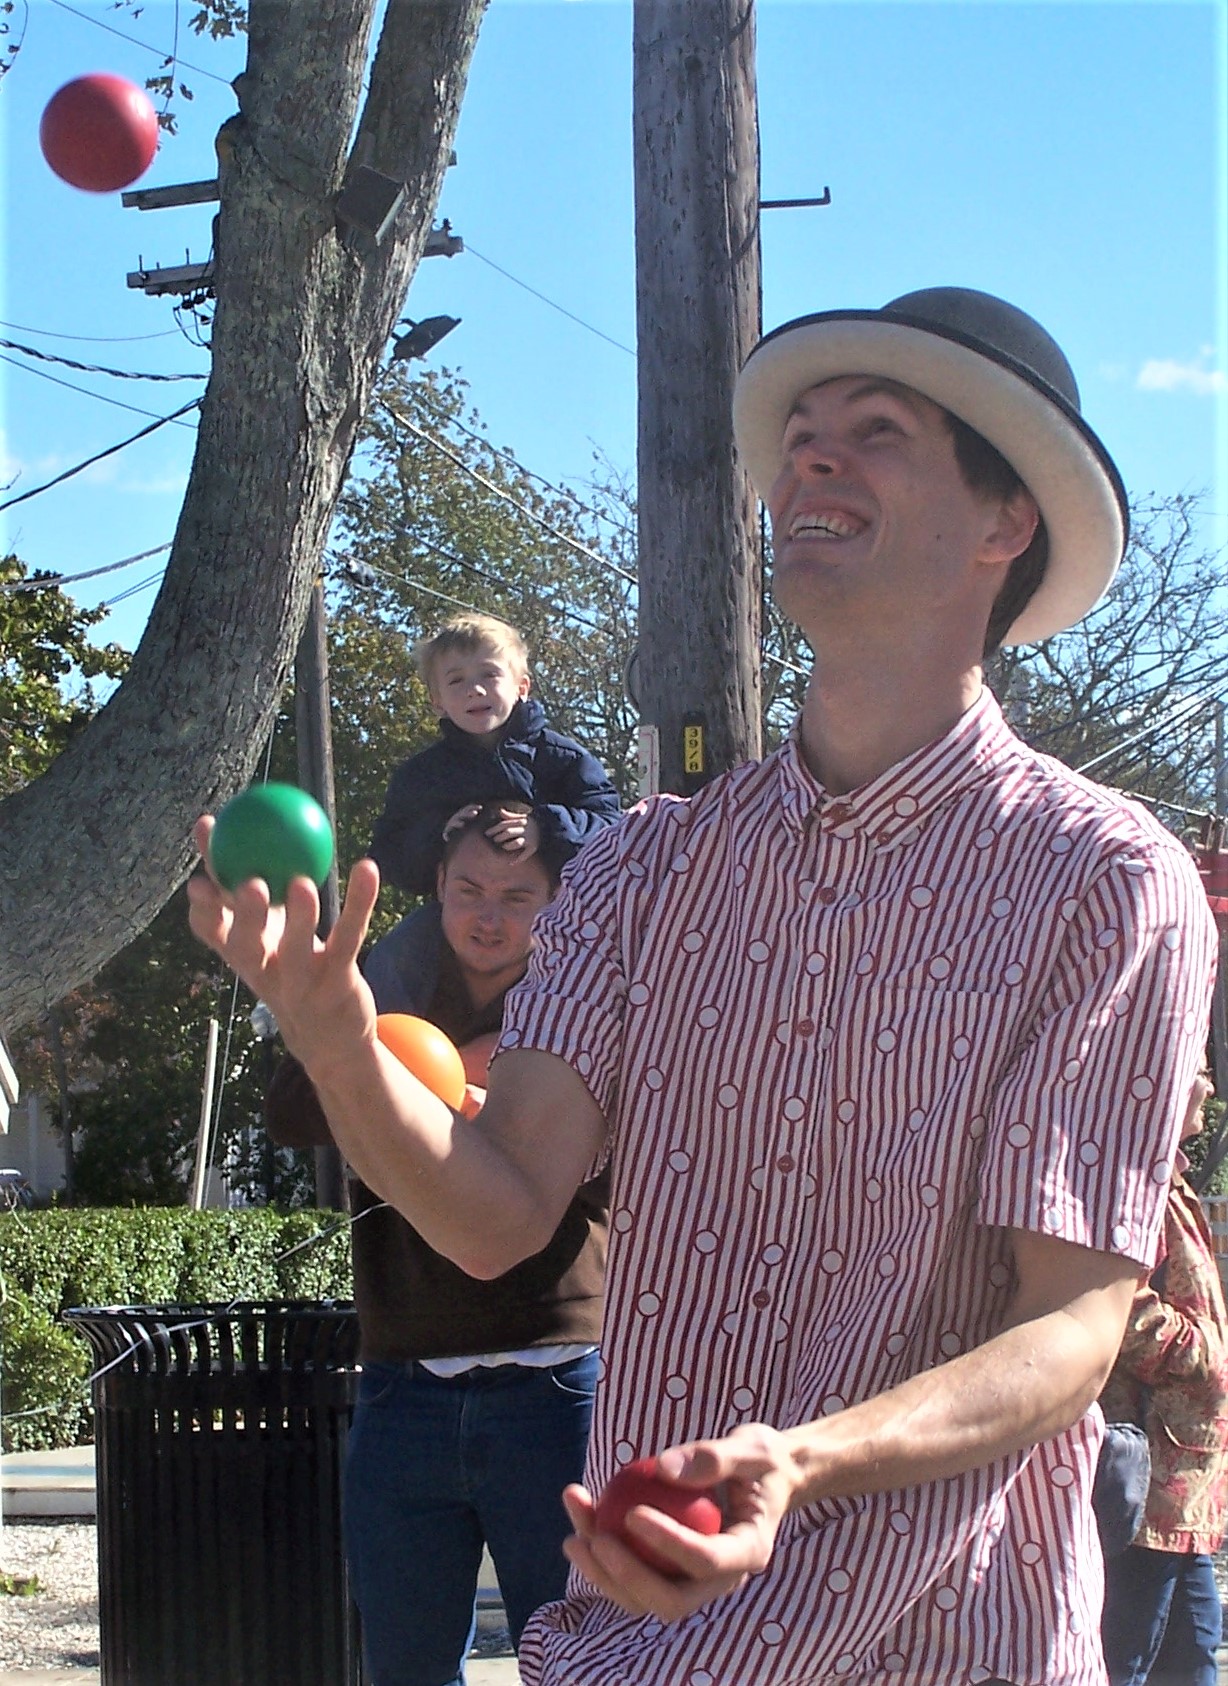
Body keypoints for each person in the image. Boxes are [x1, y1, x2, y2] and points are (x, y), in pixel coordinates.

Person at [190, 287, 1219, 1686]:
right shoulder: (639, 870)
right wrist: (333, 1034)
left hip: (947, 1650)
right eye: (799, 438)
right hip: (641, 1652)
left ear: (1004, 522)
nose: (810, 460)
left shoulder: (1105, 877)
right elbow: (495, 1216)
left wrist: (803, 1461)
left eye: (877, 432)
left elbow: (1073, 1323)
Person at [264, 805, 608, 1686]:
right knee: (404, 1670)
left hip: (558, 1390)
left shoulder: (587, 1005)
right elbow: (289, 1110)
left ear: (556, 902)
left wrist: (514, 1111)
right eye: (468, 891)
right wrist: (413, 1078)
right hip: (404, 1388)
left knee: (581, 1661)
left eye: (516, 896)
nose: (487, 916)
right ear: (438, 894)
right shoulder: (385, 993)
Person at [1099, 1061, 1228, 1686]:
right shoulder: (1129, 1185)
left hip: (1187, 1498)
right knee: (1124, 1663)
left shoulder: (1171, 1183)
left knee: (1195, 1661)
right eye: (1198, 1072)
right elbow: (1113, 1301)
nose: (1209, 1087)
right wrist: (1205, 1352)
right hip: (1147, 1490)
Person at [369, 612, 621, 897]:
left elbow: (612, 827)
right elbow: (387, 854)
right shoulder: (421, 776)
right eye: (456, 681)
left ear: (521, 687)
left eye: (489, 675)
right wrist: (439, 836)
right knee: (401, 944)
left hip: (558, 913)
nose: (474, 690)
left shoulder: (562, 759)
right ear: (437, 701)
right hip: (457, 919)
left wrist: (545, 829)